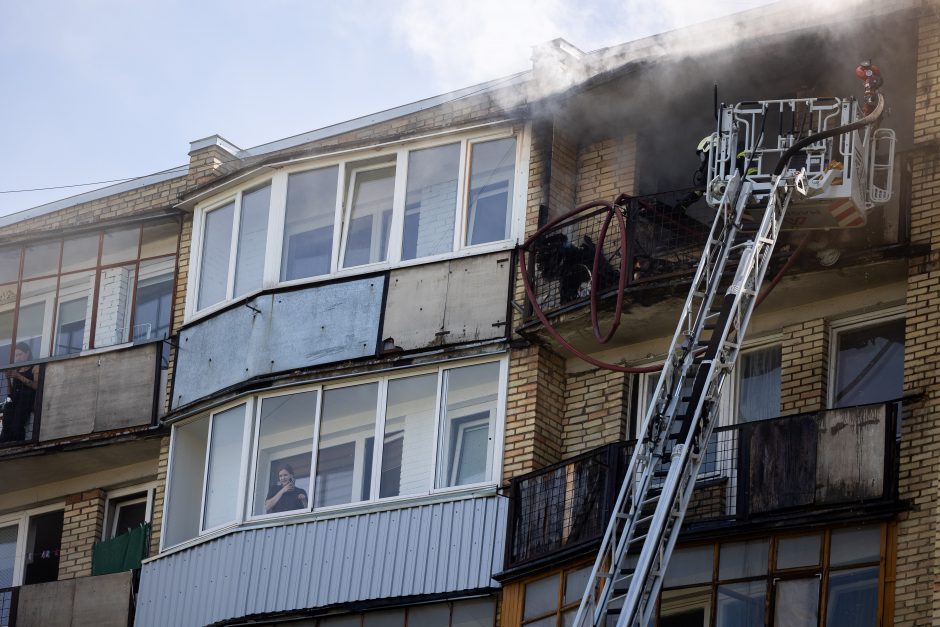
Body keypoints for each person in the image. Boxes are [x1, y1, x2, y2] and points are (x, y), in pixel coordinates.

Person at [0, 343, 39, 443]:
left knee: (17, 423)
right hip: (15, 399)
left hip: (26, 399)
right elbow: (11, 391)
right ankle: (4, 443)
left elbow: (37, 386)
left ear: (27, 353)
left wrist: (18, 376)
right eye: (16, 356)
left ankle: (17, 442)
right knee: (6, 419)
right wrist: (8, 379)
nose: (18, 358)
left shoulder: (35, 367)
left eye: (20, 354)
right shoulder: (16, 369)